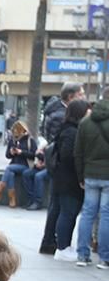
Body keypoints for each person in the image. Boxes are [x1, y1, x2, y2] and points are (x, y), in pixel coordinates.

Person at [40, 84, 88, 254]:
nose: (84, 97)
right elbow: (65, 151)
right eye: (81, 94)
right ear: (70, 97)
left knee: (57, 208)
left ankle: (51, 242)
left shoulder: (58, 114)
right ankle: (56, 244)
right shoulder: (65, 120)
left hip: (59, 171)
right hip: (64, 174)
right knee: (61, 209)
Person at [74, 98, 109, 268]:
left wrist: (81, 175)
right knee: (106, 215)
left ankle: (82, 255)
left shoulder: (85, 122)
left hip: (90, 174)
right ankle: (104, 258)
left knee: (87, 213)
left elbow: (78, 152)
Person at [0, 120, 36, 207]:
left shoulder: (30, 140)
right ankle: (12, 200)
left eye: (19, 130)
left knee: (9, 169)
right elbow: (7, 155)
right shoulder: (13, 140)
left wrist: (21, 152)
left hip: (26, 165)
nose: (16, 132)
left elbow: (34, 155)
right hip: (14, 164)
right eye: (15, 130)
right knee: (10, 174)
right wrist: (11, 152)